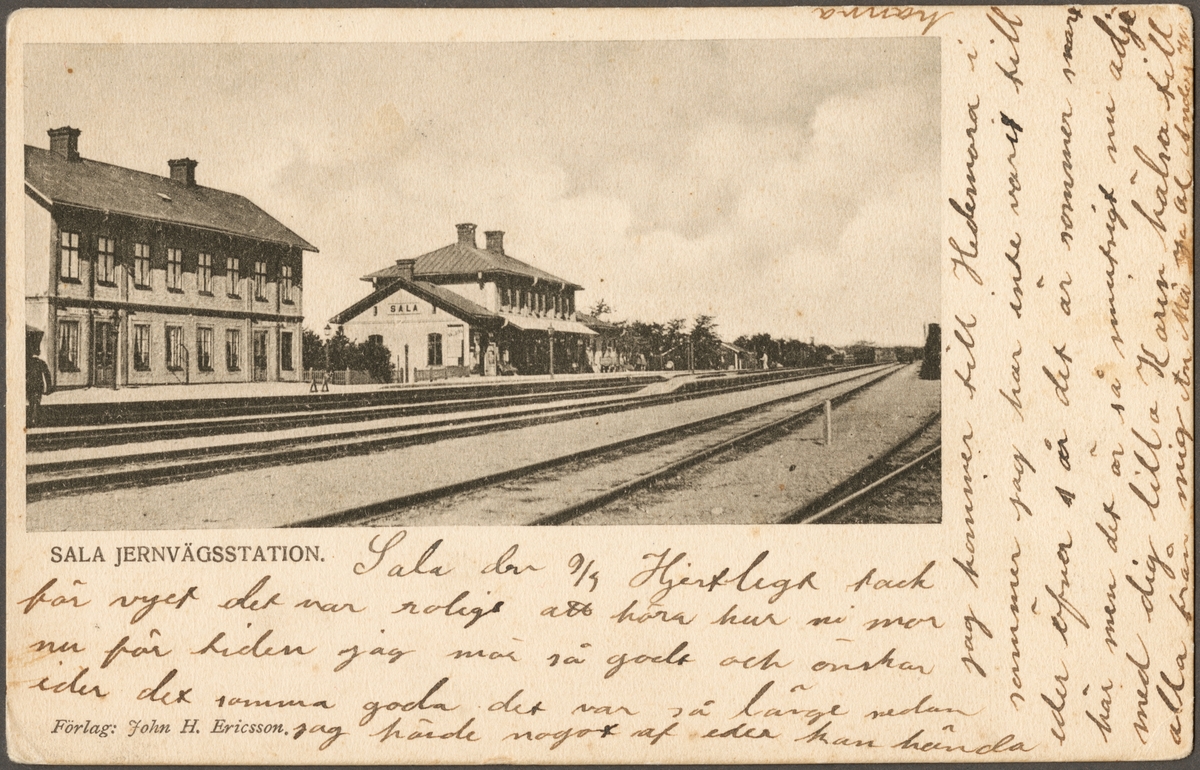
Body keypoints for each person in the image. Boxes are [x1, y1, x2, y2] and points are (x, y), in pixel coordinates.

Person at [26, 328, 52, 427]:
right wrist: (49, 388)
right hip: (38, 385)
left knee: (31, 402)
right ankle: (34, 420)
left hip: (29, 385)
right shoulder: (41, 363)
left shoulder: (27, 363)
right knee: (36, 402)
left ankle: (31, 419)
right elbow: (47, 375)